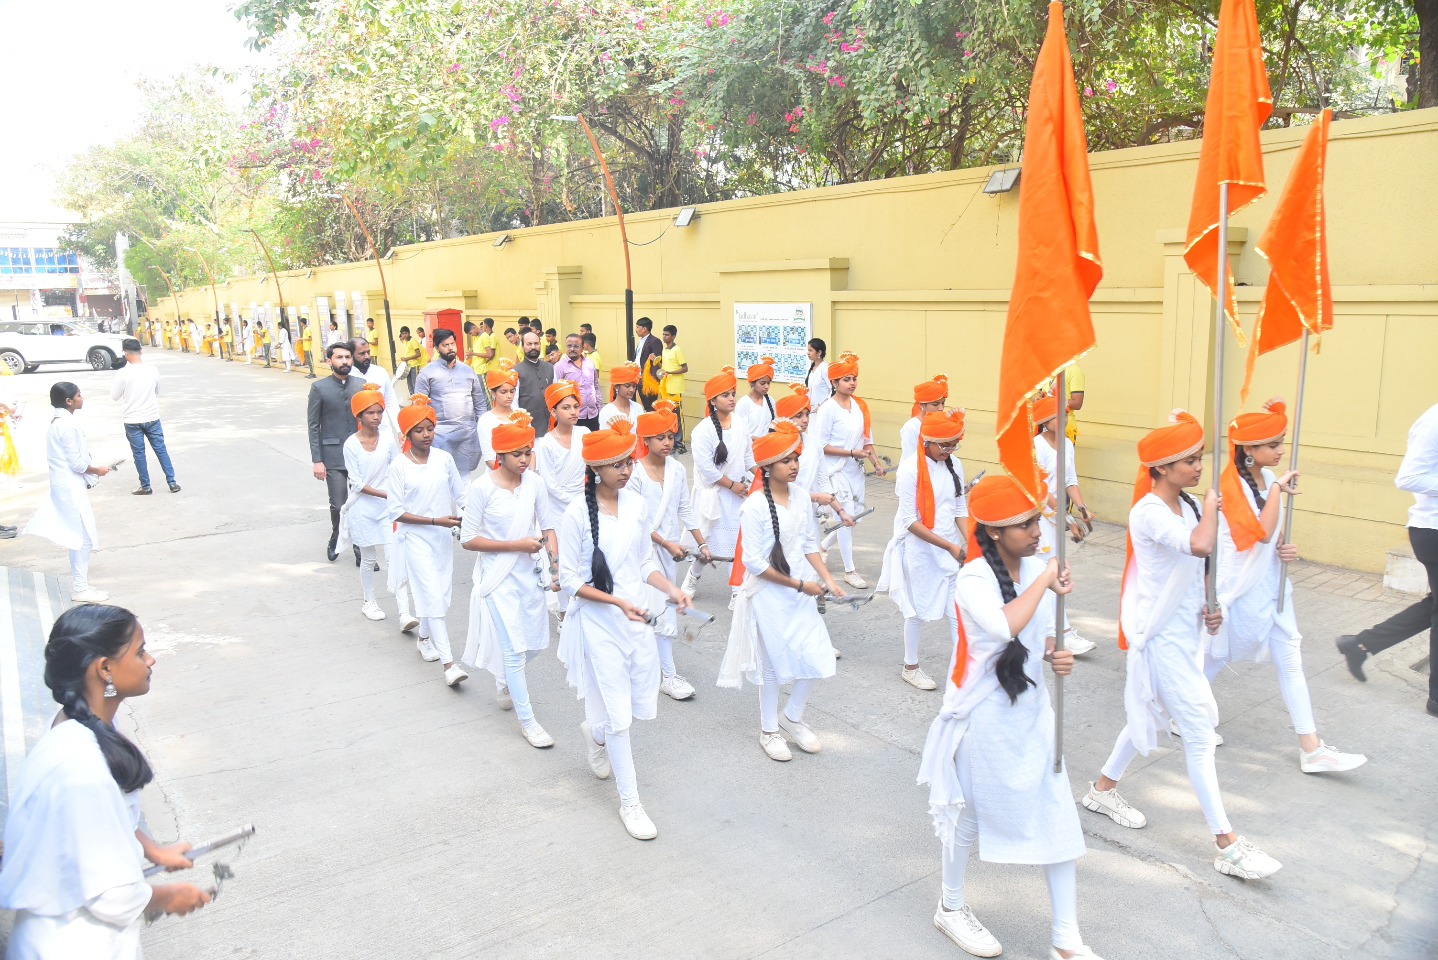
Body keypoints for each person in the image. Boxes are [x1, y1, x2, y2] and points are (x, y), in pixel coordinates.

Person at [1081, 411, 1282, 881]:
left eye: (1198, 458)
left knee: (1150, 711)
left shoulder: (1190, 505)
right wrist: (1211, 507)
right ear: (1162, 468)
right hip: (1159, 637)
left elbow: (1204, 564)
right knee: (1197, 732)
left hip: (1186, 631)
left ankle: (1102, 789)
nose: (1198, 467)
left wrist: (1211, 605)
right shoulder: (1149, 512)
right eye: (1189, 461)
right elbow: (1200, 545)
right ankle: (1227, 844)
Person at [917, 475, 1100, 960]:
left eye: (1037, 520)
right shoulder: (973, 578)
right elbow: (1003, 627)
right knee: (969, 818)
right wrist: (1045, 578)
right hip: (983, 716)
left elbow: (1041, 637)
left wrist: (1057, 655)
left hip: (1033, 712)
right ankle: (951, 906)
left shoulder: (1039, 567)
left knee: (1058, 817)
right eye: (1024, 525)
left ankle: (1066, 940)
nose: (1037, 531)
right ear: (995, 532)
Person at [0, 605, 212, 955]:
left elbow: (105, 814)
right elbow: (112, 894)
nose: (151, 660)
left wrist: (152, 849)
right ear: (105, 669)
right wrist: (168, 896)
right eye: (140, 652)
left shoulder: (77, 723)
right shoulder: (80, 767)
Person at [1214, 399, 1367, 771]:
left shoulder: (1268, 480)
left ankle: (1312, 749)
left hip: (1273, 584)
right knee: (1215, 657)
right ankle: (1174, 711)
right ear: (1249, 450)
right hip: (1240, 587)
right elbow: (1261, 533)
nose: (1281, 451)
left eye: (1281, 442)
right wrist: (1277, 497)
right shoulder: (1231, 485)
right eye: (1273, 445)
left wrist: (1285, 549)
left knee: (1290, 659)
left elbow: (1273, 537)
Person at [556, 420, 691, 840]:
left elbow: (644, 562)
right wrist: (616, 602)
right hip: (599, 625)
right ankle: (630, 803)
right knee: (619, 715)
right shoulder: (576, 514)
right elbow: (570, 580)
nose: (626, 471)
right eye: (616, 465)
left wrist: (670, 589)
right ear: (596, 469)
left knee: (632, 704)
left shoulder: (635, 504)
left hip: (637, 620)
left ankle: (595, 735)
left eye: (628, 462)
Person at [719, 421, 844, 760]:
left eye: (796, 458)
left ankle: (792, 716)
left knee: (816, 656)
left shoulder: (801, 496)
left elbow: (809, 543)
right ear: (767, 466)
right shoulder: (754, 506)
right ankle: (769, 731)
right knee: (772, 666)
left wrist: (828, 580)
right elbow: (755, 563)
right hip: (768, 594)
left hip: (800, 590)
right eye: (786, 460)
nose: (794, 465)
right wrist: (800, 585)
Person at [460, 411, 558, 748]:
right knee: (514, 651)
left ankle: (503, 677)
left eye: (528, 452)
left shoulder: (535, 483)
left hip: (530, 576)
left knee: (536, 644)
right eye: (517, 454)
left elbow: (548, 527)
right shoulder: (481, 488)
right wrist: (515, 545)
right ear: (500, 455)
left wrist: (555, 567)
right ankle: (528, 722)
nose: (524, 460)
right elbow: (468, 539)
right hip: (497, 578)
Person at [1338, 401, 1438, 716]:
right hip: (1432, 530)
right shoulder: (1434, 421)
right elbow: (1408, 477)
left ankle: (1360, 644)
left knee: (1433, 605)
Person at [878, 411, 968, 692]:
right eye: (944, 445)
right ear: (927, 441)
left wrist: (972, 544)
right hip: (919, 550)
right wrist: (949, 546)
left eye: (954, 445)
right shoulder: (910, 470)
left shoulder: (955, 464)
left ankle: (965, 673)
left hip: (950, 548)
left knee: (959, 612)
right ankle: (910, 667)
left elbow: (960, 509)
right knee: (916, 612)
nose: (949, 450)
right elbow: (909, 521)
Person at [386, 396, 469, 686]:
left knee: (440, 596)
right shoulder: (398, 466)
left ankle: (424, 638)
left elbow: (461, 495)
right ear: (407, 435)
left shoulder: (444, 459)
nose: (426, 435)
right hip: (415, 539)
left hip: (442, 539)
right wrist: (435, 521)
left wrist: (471, 518)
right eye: (419, 430)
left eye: (430, 429)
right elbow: (396, 512)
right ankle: (450, 665)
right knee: (433, 596)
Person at [630, 401, 707, 700]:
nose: (667, 442)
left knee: (660, 609)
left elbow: (685, 508)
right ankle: (667, 675)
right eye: (659, 437)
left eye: (670, 436)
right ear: (645, 440)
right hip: (642, 551)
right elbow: (636, 522)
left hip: (670, 551)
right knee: (655, 609)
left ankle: (658, 670)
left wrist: (701, 543)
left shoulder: (676, 469)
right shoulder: (634, 473)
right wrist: (665, 543)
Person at [24, 383, 113, 604]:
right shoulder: (67, 426)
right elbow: (78, 464)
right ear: (68, 401)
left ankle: (81, 585)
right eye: (79, 395)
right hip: (70, 488)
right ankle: (80, 588)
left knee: (78, 537)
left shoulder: (59, 422)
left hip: (66, 486)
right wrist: (98, 470)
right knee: (83, 539)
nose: (82, 398)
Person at [338, 387, 415, 627]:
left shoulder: (388, 440)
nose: (376, 417)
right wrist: (387, 494)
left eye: (379, 412)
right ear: (359, 416)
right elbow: (357, 483)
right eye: (370, 413)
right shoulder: (351, 445)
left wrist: (399, 493)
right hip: (362, 508)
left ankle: (404, 613)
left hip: (387, 510)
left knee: (394, 559)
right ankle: (369, 601)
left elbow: (396, 467)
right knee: (369, 559)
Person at [811, 351, 887, 588]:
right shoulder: (827, 409)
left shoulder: (859, 406)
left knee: (852, 518)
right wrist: (851, 453)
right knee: (846, 517)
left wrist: (876, 463)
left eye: (854, 378)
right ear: (834, 383)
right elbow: (820, 446)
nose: (852, 383)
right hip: (835, 471)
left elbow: (867, 440)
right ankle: (849, 571)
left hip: (855, 470)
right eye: (846, 379)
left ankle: (822, 547)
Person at [681, 367, 756, 605]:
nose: (732, 398)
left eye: (733, 394)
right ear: (713, 401)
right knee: (708, 546)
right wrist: (732, 485)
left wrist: (763, 476)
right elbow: (707, 470)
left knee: (737, 545)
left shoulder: (741, 424)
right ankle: (692, 577)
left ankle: (737, 591)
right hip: (713, 495)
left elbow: (748, 458)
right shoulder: (702, 430)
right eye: (725, 395)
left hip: (737, 495)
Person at [1033, 395, 1097, 656]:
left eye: (1066, 413)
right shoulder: (1036, 446)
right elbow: (1039, 488)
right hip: (1038, 518)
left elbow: (1070, 480)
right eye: (1058, 414)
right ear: (1044, 420)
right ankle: (1064, 634)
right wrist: (1067, 518)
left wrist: (1082, 508)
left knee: (1046, 575)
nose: (1064, 418)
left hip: (1056, 517)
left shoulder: (1068, 444)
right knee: (1051, 575)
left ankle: (1040, 630)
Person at [307, 341, 367, 562]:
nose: (344, 361)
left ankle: (361, 548)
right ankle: (336, 537)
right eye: (339, 357)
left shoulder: (362, 385)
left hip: (361, 454)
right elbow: (313, 426)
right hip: (333, 456)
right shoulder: (319, 388)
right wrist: (317, 460)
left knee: (361, 503)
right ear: (329, 361)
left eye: (348, 357)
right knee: (339, 504)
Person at [535, 382, 591, 613]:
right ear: (553, 412)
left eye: (576, 407)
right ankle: (564, 611)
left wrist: (589, 497)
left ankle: (584, 605)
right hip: (559, 509)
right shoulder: (546, 443)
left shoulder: (585, 434)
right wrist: (577, 501)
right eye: (566, 408)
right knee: (563, 558)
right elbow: (550, 484)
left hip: (586, 503)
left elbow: (591, 468)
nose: (573, 412)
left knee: (584, 554)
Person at [414, 327, 490, 475]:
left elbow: (480, 404)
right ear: (437, 348)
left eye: (452, 344)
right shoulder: (427, 373)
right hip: (440, 436)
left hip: (467, 435)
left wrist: (483, 428)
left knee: (464, 480)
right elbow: (419, 409)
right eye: (445, 345)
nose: (450, 348)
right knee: (441, 478)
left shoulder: (468, 371)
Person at [110, 339, 180, 496]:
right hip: (152, 417)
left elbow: (114, 396)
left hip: (132, 420)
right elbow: (157, 391)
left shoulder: (122, 373)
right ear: (141, 351)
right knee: (161, 449)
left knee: (139, 454)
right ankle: (172, 482)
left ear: (126, 354)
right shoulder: (152, 370)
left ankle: (146, 486)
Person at [351, 337, 401, 439]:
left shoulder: (380, 372)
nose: (367, 356)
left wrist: (400, 430)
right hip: (357, 435)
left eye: (368, 352)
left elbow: (391, 402)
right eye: (362, 353)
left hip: (383, 432)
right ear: (351, 355)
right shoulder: (347, 375)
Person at [477, 358, 520, 469]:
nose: (509, 396)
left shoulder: (521, 415)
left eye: (512, 391)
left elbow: (531, 451)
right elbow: (489, 458)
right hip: (498, 473)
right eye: (503, 392)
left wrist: (528, 473)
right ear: (493, 393)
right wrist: (508, 474)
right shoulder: (486, 420)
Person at [555, 333, 601, 432]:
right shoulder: (559, 367)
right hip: (573, 417)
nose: (572, 349)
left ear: (582, 347)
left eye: (576, 346)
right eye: (569, 346)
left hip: (593, 415)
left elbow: (596, 387)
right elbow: (556, 394)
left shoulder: (589, 363)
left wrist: (599, 408)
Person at [515, 329, 556, 438]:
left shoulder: (550, 368)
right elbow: (513, 404)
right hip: (529, 430)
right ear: (523, 347)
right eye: (529, 344)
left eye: (536, 343)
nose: (533, 347)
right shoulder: (516, 372)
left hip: (552, 428)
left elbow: (556, 396)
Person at [901, 375, 949, 463]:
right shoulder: (911, 427)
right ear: (922, 405)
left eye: (942, 403)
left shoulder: (941, 423)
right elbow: (910, 459)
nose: (941, 408)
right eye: (935, 404)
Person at [735, 356, 777, 440]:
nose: (766, 386)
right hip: (749, 446)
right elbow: (741, 431)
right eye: (762, 383)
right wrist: (760, 440)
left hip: (767, 444)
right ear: (752, 384)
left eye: (768, 383)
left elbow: (774, 424)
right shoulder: (744, 403)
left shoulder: (770, 401)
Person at [659, 324, 688, 446]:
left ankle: (680, 443)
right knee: (668, 414)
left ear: (673, 336)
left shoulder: (677, 350)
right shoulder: (665, 350)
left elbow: (685, 368)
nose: (664, 337)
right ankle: (672, 441)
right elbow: (665, 368)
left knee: (677, 415)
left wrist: (670, 372)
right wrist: (656, 362)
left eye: (667, 335)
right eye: (663, 334)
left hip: (675, 388)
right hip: (665, 387)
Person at [598, 362, 641, 432]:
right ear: (616, 387)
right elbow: (605, 436)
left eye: (634, 386)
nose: (631, 390)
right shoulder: (607, 411)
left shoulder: (637, 408)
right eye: (627, 386)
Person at [634, 317, 663, 411]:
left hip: (648, 380)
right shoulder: (641, 341)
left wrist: (653, 381)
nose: (636, 330)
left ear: (644, 329)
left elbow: (657, 362)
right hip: (638, 377)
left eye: (637, 327)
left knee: (651, 406)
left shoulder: (655, 341)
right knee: (645, 406)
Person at [805, 338, 832, 408]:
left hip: (822, 409)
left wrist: (823, 405)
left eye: (810, 350)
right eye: (808, 350)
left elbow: (833, 390)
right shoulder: (812, 368)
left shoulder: (825, 368)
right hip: (811, 409)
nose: (808, 353)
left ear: (819, 352)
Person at [397, 326, 422, 393]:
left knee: (415, 385)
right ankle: (412, 398)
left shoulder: (413, 341)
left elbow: (418, 354)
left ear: (409, 333)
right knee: (410, 385)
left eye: (406, 333)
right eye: (403, 334)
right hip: (408, 366)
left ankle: (417, 398)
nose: (404, 335)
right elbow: (401, 339)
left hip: (414, 366)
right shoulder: (405, 341)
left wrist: (406, 358)